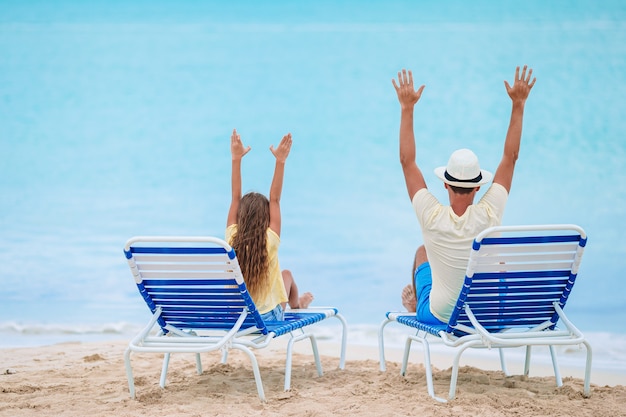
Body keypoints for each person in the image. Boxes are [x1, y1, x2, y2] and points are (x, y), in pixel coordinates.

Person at [393, 66, 536, 324]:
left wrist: (407, 108)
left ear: (445, 185)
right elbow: (510, 158)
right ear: (478, 187)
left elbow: (407, 162)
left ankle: (417, 303)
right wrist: (518, 104)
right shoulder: (490, 213)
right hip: (484, 317)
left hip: (441, 316)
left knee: (422, 252)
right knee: (496, 260)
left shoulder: (431, 215)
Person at [226, 128, 313, 321]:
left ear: (240, 217)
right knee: (287, 275)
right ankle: (297, 304)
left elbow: (235, 197)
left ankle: (298, 303)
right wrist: (280, 161)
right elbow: (275, 199)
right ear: (266, 218)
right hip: (267, 318)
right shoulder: (269, 240)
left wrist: (236, 158)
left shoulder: (231, 238)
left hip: (237, 318)